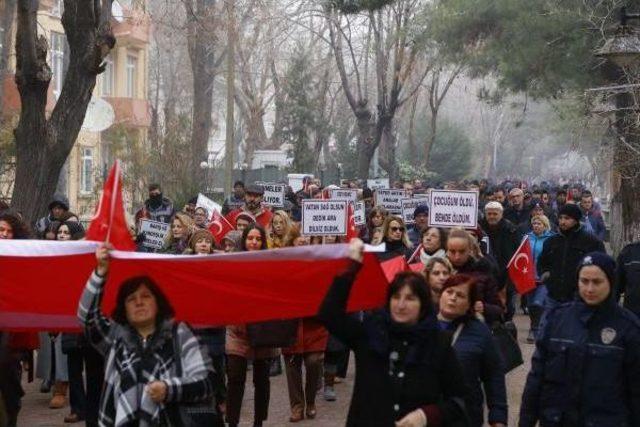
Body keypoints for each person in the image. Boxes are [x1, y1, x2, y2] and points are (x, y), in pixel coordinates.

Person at [318, 238, 469, 427]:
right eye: (396, 297)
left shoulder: (438, 343)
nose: (401, 305)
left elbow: (459, 400)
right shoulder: (370, 335)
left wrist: (427, 415)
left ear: (423, 305)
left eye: (410, 298)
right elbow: (329, 314)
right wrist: (351, 267)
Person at [78, 244, 219, 426]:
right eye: (131, 299)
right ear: (124, 309)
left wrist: (169, 389)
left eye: (146, 296)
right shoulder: (116, 338)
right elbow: (87, 318)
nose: (138, 302)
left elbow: (207, 381)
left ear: (158, 302)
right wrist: (100, 271)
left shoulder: (180, 334)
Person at [519, 252, 640, 427]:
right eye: (584, 281)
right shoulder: (556, 319)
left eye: (597, 282)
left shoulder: (628, 328)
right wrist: (526, 421)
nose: (590, 289)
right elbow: (536, 378)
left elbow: (636, 391)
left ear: (610, 282)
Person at [225, 224, 279, 427]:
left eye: (258, 239)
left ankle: (259, 421)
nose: (254, 242)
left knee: (262, 380)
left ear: (262, 241)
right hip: (237, 330)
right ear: (244, 240)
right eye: (250, 238)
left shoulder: (271, 264)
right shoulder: (232, 263)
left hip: (264, 331)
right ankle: (232, 422)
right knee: (235, 377)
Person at [436, 274, 508, 427]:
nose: (453, 298)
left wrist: (498, 417)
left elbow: (494, 374)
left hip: (465, 415)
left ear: (470, 304)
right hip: (427, 414)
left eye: (460, 295)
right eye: (449, 292)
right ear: (440, 294)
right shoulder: (423, 325)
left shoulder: (480, 332)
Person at [282, 232, 329, 422]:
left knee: (313, 362)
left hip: (314, 324)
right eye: (300, 239)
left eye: (308, 239)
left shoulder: (321, 264)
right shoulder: (284, 264)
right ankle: (296, 406)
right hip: (291, 325)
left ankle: (310, 401)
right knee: (292, 367)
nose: (304, 241)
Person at [0, 211, 34, 427]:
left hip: (10, 339)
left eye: (9, 232)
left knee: (10, 394)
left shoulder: (22, 262)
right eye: (1, 230)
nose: (4, 235)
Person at [537, 203, 606, 306]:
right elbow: (542, 262)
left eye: (567, 218)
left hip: (579, 299)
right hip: (554, 297)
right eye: (560, 218)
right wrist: (546, 275)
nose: (562, 222)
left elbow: (602, 266)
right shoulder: (551, 242)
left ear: (576, 220)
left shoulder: (591, 242)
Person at [446, 228, 504, 324]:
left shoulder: (482, 274)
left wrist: (484, 307)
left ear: (470, 250)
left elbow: (499, 309)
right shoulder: (439, 272)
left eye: (462, 251)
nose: (457, 256)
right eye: (452, 251)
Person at [479, 201, 522, 320]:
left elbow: (518, 251)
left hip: (507, 272)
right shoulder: (479, 228)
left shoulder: (511, 229)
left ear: (501, 214)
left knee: (509, 306)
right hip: (486, 272)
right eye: (489, 214)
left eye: (495, 214)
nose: (492, 216)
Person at [525, 215, 555, 343]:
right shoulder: (526, 238)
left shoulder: (551, 239)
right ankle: (533, 327)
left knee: (538, 303)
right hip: (529, 277)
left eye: (539, 224)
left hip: (543, 278)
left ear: (545, 225)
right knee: (531, 305)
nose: (536, 226)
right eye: (534, 223)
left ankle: (537, 328)